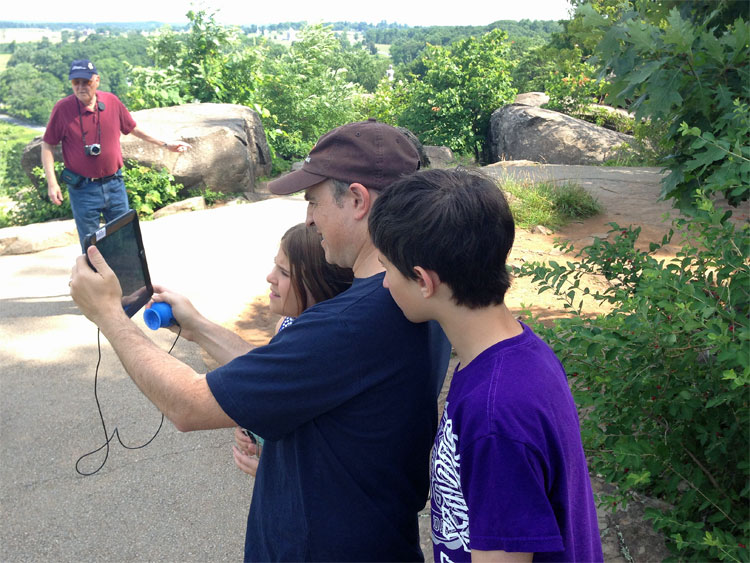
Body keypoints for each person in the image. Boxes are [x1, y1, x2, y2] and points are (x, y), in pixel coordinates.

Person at [69, 119, 451, 561]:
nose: (309, 218)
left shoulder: (352, 321)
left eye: (313, 201)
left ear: (358, 200)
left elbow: (188, 405)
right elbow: (298, 368)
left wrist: (109, 315)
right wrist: (198, 327)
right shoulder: (421, 291)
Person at [369, 168, 604, 562]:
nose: (384, 283)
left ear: (424, 281)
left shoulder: (495, 412)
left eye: (387, 268)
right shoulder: (520, 354)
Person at [233, 222, 353, 475]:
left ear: (319, 283)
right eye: (275, 265)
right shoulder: (285, 325)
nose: (270, 277)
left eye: (284, 272)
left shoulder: (323, 349)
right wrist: (255, 432)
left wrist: (271, 470)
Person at [42, 59, 191, 250]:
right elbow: (48, 145)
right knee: (91, 246)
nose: (80, 87)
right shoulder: (63, 109)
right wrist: (52, 183)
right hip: (83, 189)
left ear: (97, 81)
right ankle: (95, 279)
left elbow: (133, 128)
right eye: (75, 82)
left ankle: (125, 279)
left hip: (114, 184)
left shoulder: (111, 101)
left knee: (124, 239)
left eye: (86, 82)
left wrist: (166, 144)